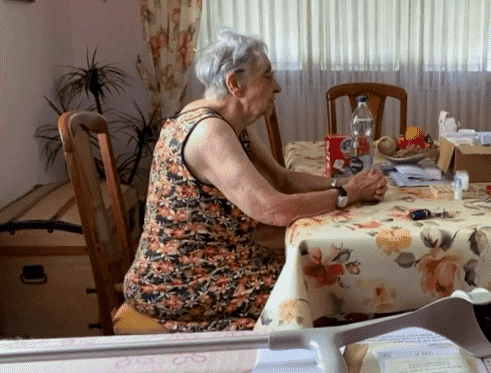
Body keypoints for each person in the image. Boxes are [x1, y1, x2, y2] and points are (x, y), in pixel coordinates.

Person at [123, 28, 388, 332]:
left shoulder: (227, 123)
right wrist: (347, 193)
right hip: (179, 279)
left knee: (321, 272)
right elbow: (271, 209)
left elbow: (283, 180)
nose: (276, 87)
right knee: (322, 290)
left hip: (220, 261)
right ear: (234, 84)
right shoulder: (209, 132)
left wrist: (352, 182)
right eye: (266, 76)